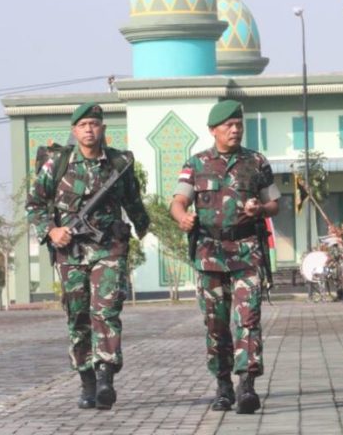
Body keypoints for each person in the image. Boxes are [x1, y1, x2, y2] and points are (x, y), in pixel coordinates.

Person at [26, 102, 150, 410]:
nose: (89, 130)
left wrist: (144, 225)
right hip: (71, 251)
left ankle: (106, 375)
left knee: (106, 311)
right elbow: (35, 205)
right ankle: (87, 381)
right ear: (74, 131)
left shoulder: (118, 164)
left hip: (109, 247)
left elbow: (132, 199)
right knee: (78, 317)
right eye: (83, 125)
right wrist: (51, 231)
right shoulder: (57, 163)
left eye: (94, 124)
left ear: (103, 129)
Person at [170, 99, 280, 414]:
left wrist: (261, 208)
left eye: (238, 125)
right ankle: (222, 386)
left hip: (246, 251)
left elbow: (275, 203)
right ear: (213, 130)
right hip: (209, 255)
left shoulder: (256, 162)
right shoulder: (196, 163)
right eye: (228, 126)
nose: (235, 130)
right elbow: (178, 202)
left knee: (248, 319)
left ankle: (247, 385)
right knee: (216, 324)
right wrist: (183, 218)